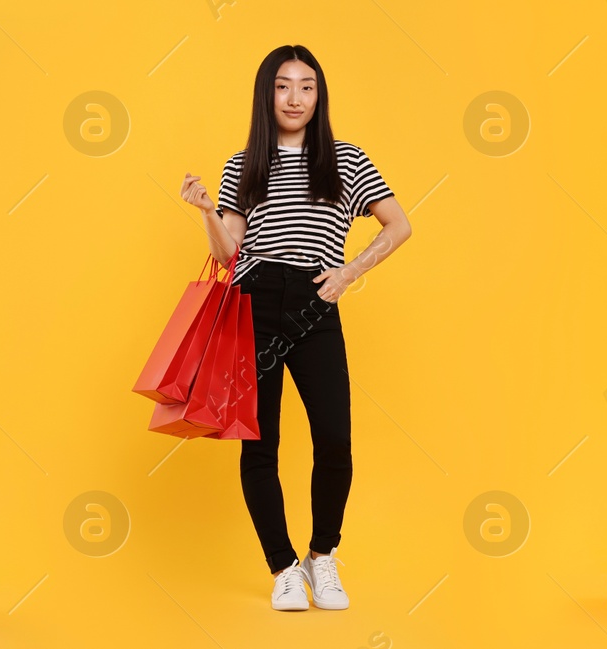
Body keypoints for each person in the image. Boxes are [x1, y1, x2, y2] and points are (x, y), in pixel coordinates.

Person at [179, 44, 412, 611]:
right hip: (254, 304)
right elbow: (230, 251)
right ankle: (283, 568)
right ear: (267, 93)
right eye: (284, 86)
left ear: (319, 95)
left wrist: (351, 270)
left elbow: (399, 225)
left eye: (306, 86)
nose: (295, 97)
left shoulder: (346, 159)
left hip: (314, 304)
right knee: (260, 444)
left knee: (335, 437)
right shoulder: (245, 164)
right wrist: (207, 210)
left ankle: (322, 556)